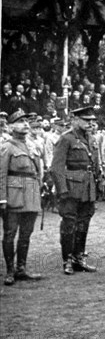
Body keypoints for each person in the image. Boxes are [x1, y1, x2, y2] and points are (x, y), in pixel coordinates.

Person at [49, 106, 101, 275]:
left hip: (87, 187)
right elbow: (56, 167)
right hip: (71, 188)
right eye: (86, 120)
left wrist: (97, 184)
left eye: (92, 120)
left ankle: (79, 258)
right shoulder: (66, 139)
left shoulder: (92, 139)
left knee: (84, 222)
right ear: (75, 120)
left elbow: (95, 164)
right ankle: (67, 260)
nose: (90, 123)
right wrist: (62, 190)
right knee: (69, 223)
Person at [0, 110, 43, 285]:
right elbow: (1, 174)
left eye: (26, 121)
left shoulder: (32, 145)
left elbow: (38, 171)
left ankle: (21, 269)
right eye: (19, 121)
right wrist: (2, 198)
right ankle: (10, 271)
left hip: (31, 195)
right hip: (13, 196)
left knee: (26, 234)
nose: (25, 124)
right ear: (10, 127)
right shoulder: (6, 147)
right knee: (10, 233)